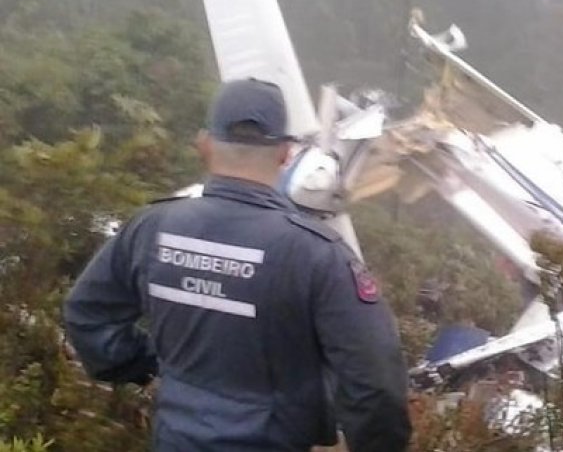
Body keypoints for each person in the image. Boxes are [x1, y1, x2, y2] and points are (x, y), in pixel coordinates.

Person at [64, 78, 412, 452]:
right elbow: (376, 381)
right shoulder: (317, 254)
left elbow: (87, 315)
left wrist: (152, 367)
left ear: (205, 144)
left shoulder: (151, 229)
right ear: (287, 153)